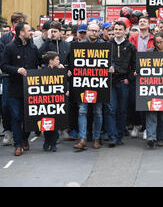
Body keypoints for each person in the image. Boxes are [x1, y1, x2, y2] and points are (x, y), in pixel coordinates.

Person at [0, 22, 41, 156]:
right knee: (16, 116)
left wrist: (55, 64)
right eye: (29, 30)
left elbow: (40, 62)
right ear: (21, 33)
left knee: (28, 116)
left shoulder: (33, 48)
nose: (31, 33)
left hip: (30, 89)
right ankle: (18, 145)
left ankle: (25, 138)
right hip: (15, 88)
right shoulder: (10, 48)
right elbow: (4, 66)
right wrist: (16, 69)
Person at [71, 22, 114, 151]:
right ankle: (83, 139)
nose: (93, 33)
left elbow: (111, 62)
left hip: (99, 84)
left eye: (96, 31)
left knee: (98, 112)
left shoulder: (105, 46)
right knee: (82, 111)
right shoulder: (78, 46)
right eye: (91, 30)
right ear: (87, 31)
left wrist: (112, 67)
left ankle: (96, 138)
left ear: (99, 32)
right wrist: (69, 70)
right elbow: (71, 62)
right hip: (83, 84)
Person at [105, 21, 136, 147]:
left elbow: (135, 64)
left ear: (125, 31)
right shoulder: (108, 45)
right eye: (116, 29)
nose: (117, 31)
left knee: (122, 110)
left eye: (120, 29)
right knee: (111, 109)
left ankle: (119, 135)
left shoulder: (130, 46)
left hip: (123, 82)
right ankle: (112, 136)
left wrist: (129, 78)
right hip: (111, 82)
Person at [0, 12, 27, 146]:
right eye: (17, 22)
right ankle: (7, 130)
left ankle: (22, 135)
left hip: (23, 77)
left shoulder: (28, 39)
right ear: (13, 24)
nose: (20, 24)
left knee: (22, 107)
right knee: (5, 105)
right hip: (8, 76)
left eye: (22, 22)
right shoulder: (6, 38)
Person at [128, 16, 155, 138]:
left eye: (144, 21)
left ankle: (145, 128)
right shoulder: (133, 38)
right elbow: (129, 56)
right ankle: (136, 124)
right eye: (140, 21)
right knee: (134, 101)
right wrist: (132, 71)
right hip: (136, 73)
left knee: (146, 102)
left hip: (150, 74)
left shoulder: (154, 38)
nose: (142, 23)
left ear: (149, 25)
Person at [145, 33, 163, 148]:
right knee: (151, 112)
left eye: (161, 42)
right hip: (151, 86)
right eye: (157, 42)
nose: (158, 44)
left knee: (162, 115)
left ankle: (160, 138)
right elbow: (142, 66)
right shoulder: (149, 53)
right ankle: (151, 137)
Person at [42, 51, 67, 152]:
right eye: (57, 59)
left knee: (56, 123)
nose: (59, 61)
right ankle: (47, 141)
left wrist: (63, 72)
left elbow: (65, 82)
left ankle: (53, 143)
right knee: (47, 123)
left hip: (57, 100)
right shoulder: (43, 70)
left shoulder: (60, 70)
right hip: (46, 100)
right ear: (51, 61)